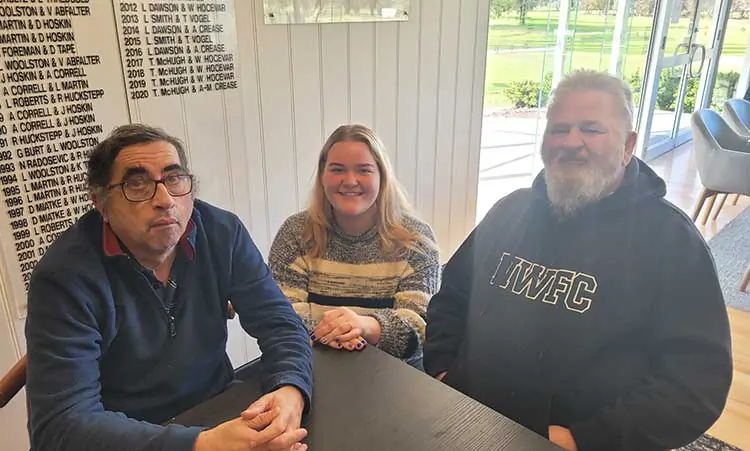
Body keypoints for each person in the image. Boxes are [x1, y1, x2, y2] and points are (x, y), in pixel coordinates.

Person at [424, 70, 733, 451]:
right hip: (466, 424)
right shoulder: (508, 211)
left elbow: (697, 384)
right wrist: (441, 371)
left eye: (591, 129)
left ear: (628, 144)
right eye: (559, 128)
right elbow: (451, 295)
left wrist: (583, 439)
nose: (571, 142)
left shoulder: (672, 243)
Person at [25, 124, 313, 451]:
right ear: (101, 203)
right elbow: (61, 425)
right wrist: (202, 445)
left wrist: (291, 389)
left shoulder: (223, 233)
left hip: (217, 408)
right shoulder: (64, 276)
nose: (164, 200)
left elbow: (281, 324)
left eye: (174, 179)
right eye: (137, 184)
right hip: (125, 436)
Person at [269, 124, 440, 366]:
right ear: (322, 176)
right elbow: (281, 316)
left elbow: (418, 328)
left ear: (382, 176)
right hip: (313, 367)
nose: (350, 181)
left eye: (364, 170)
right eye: (337, 169)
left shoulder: (416, 239)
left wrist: (365, 326)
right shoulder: (295, 233)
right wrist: (343, 332)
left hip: (395, 375)